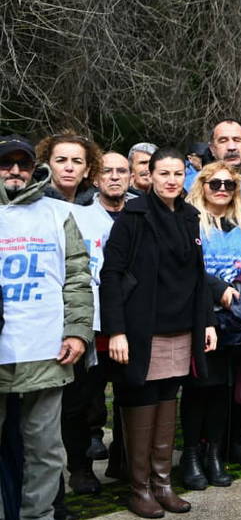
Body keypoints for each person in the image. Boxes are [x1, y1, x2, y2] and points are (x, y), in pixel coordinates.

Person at [98, 146, 215, 519]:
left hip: (181, 327)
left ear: (186, 177)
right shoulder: (133, 216)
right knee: (140, 399)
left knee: (169, 399)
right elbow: (111, 276)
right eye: (163, 173)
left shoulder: (190, 217)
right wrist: (116, 331)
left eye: (178, 174)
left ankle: (163, 483)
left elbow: (198, 276)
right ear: (148, 176)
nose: (171, 180)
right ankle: (139, 487)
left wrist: (207, 321)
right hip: (141, 329)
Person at [0, 135, 92, 520]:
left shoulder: (58, 213)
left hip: (46, 348)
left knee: (45, 447)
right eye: (6, 164)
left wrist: (77, 332)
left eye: (22, 163)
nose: (15, 171)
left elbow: (78, 277)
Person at [184, 161, 241, 488]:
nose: (221, 189)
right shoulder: (189, 222)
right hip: (196, 315)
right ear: (202, 186)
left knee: (224, 389)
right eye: (214, 183)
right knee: (196, 388)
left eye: (228, 185)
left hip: (235, 319)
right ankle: (191, 455)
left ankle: (215, 454)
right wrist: (219, 288)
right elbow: (183, 266)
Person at [62, 151, 132, 495]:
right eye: (108, 171)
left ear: (132, 177)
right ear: (96, 177)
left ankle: (123, 459)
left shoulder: (139, 217)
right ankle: (80, 468)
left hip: (131, 326)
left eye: (122, 171)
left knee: (130, 397)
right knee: (79, 402)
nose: (115, 177)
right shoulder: (78, 217)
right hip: (90, 325)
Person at [35, 131, 100, 204]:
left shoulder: (96, 210)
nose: (69, 168)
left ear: (86, 170)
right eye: (61, 160)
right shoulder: (29, 203)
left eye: (77, 162)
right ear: (48, 166)